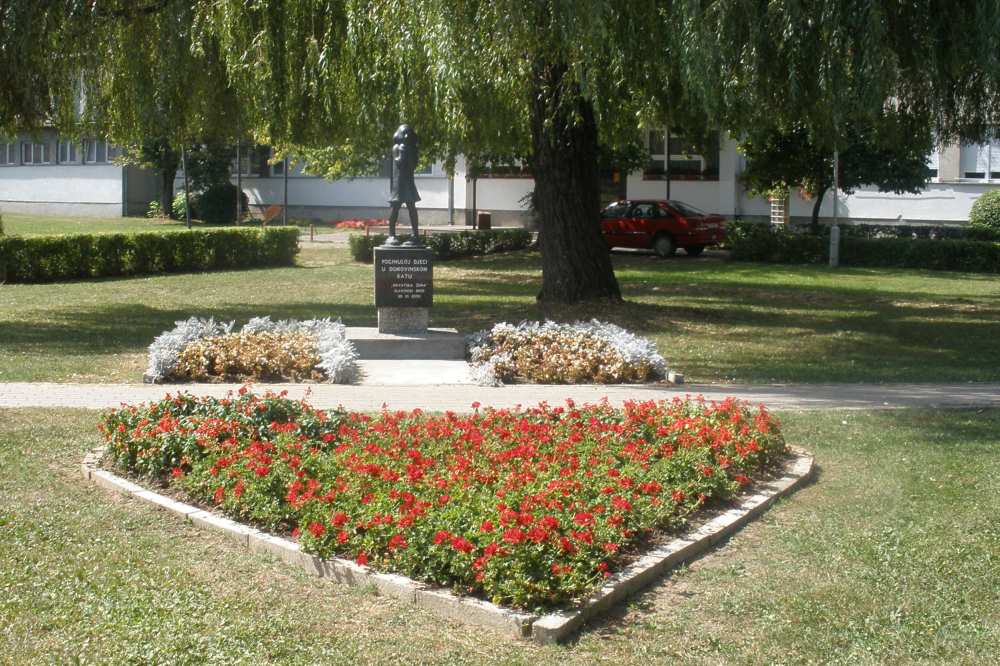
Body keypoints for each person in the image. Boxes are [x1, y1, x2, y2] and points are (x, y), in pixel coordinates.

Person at [385, 124, 422, 246]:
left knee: (412, 207)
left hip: (409, 182)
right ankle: (391, 235)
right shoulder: (396, 147)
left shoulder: (413, 149)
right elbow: (399, 162)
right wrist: (402, 151)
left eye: (408, 132)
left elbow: (413, 165)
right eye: (404, 132)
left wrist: (409, 153)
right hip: (399, 183)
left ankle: (415, 235)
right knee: (395, 208)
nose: (406, 135)